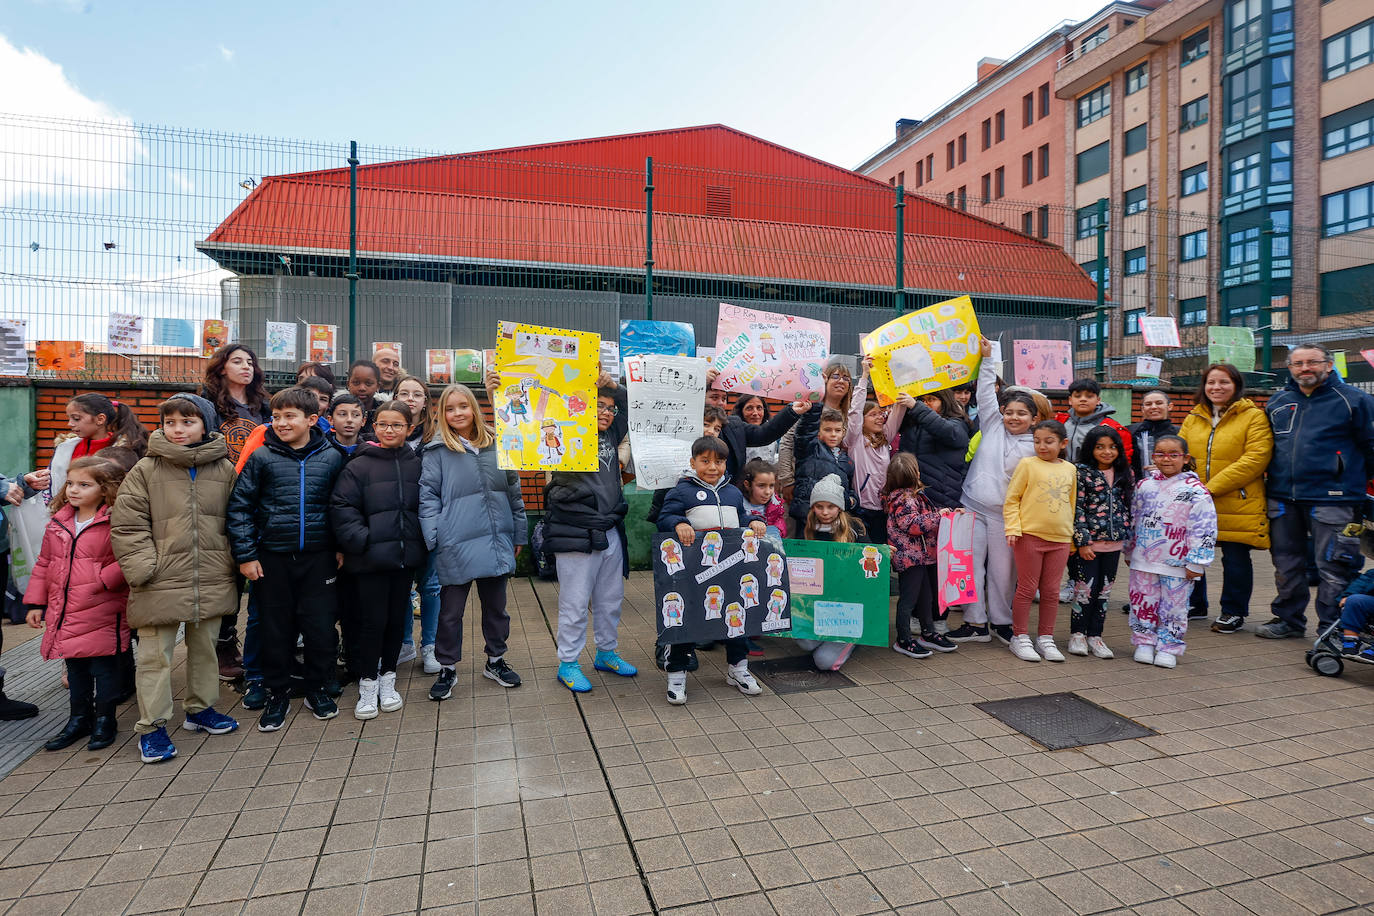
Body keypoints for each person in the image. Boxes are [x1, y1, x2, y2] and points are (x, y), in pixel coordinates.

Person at [112, 394, 240, 764]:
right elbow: (127, 525)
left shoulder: (224, 469)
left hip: (211, 576)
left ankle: (200, 710)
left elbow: (237, 520)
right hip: (158, 580)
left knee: (205, 651)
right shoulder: (146, 470)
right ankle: (152, 727)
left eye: (188, 421)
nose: (178, 429)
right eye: (171, 422)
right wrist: (143, 569)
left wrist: (232, 563)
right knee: (155, 657)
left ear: (206, 425)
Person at [228, 387, 345, 732]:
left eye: (289, 416)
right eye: (276, 416)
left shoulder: (332, 457)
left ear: (312, 420)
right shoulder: (262, 457)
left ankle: (317, 688)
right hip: (272, 559)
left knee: (320, 628)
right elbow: (240, 508)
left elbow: (341, 507)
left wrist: (339, 546)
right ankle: (276, 691)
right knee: (276, 630)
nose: (280, 423)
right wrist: (246, 556)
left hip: (319, 560)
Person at [1260, 344, 1374, 639]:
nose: (1305, 368)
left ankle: (1333, 627)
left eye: (1312, 362)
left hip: (1335, 499)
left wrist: (1355, 482)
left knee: (1335, 566)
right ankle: (1289, 620)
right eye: (1298, 364)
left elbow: (1371, 447)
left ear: (1329, 365)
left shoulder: (1356, 400)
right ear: (1290, 368)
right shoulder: (1278, 402)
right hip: (1283, 498)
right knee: (1285, 564)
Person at [421, 384, 526, 700]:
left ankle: (495, 660)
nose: (457, 414)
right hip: (456, 542)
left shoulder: (498, 444)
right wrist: (435, 535)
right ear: (442, 414)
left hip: (496, 540)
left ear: (474, 409)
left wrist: (519, 532)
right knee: (450, 612)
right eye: (450, 409)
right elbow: (427, 496)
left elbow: (514, 492)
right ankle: (447, 667)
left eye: (462, 406)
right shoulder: (437, 451)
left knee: (497, 608)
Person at [24, 456, 129, 752]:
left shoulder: (115, 520)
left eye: (84, 484)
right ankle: (80, 719)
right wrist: (35, 603)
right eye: (70, 483)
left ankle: (105, 720)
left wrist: (102, 580)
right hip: (66, 610)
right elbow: (45, 563)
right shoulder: (59, 521)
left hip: (102, 608)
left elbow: (130, 556)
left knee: (104, 669)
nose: (73, 490)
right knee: (76, 668)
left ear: (106, 488)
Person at [330, 401, 427, 720]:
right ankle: (367, 683)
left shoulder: (416, 464)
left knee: (395, 623)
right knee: (370, 623)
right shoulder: (359, 464)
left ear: (409, 429)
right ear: (374, 426)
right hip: (370, 561)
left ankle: (389, 679)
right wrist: (365, 541)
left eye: (397, 425)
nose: (389, 430)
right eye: (383, 424)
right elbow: (342, 507)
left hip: (403, 558)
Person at [542, 373, 638, 693]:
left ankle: (606, 652)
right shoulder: (567, 436)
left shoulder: (612, 435)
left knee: (610, 599)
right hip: (575, 530)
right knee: (575, 601)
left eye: (611, 409)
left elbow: (634, 406)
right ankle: (568, 663)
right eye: (599, 406)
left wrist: (610, 386)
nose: (606, 412)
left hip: (609, 528)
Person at [950, 340, 1048, 644]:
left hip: (1007, 517)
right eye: (1009, 412)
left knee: (1003, 574)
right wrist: (988, 359)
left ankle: (1002, 622)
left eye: (1022, 414)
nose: (1014, 418)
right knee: (970, 566)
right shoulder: (992, 424)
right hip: (972, 507)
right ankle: (975, 623)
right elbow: (984, 393)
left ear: (1034, 419)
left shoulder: (1038, 446)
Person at [657, 435, 767, 705]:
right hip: (693, 573)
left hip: (730, 570)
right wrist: (679, 522)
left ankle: (738, 669)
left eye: (718, 461)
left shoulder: (731, 492)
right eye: (705, 461)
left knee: (737, 616)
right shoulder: (682, 490)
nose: (712, 467)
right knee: (687, 619)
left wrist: (752, 522)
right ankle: (677, 675)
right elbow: (664, 517)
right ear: (693, 462)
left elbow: (740, 518)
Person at [1178, 364, 1272, 634]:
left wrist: (1209, 488)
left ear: (1236, 385)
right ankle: (1196, 604)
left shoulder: (1253, 416)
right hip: (1198, 498)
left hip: (1237, 500)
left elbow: (1255, 458)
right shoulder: (1193, 417)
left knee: (1235, 557)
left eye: (1224, 382)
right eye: (1211, 382)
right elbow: (1181, 453)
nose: (1216, 387)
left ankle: (1233, 611)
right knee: (1192, 552)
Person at [203, 343, 270, 679]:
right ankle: (222, 645)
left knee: (247, 568)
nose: (246, 366)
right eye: (237, 361)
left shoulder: (264, 407)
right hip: (218, 495)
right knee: (224, 574)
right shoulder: (208, 405)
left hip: (255, 497)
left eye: (250, 361)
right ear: (221, 367)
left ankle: (242, 643)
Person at [1124, 436, 1217, 667]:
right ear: (1153, 456)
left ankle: (1168, 646)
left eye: (1173, 454)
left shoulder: (1197, 491)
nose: (1167, 459)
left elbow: (1204, 526)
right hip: (1143, 559)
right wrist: (1129, 550)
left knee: (1174, 608)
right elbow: (1134, 518)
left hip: (1178, 563)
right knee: (1142, 603)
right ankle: (1144, 642)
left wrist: (1197, 562)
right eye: (1161, 454)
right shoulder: (1144, 485)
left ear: (1185, 458)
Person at [1004, 420, 1076, 663]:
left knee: (1052, 591)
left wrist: (1071, 537)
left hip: (1061, 539)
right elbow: (1012, 499)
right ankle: (1020, 636)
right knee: (1026, 588)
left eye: (1049, 441)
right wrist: (1013, 527)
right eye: (1037, 441)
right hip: (1030, 537)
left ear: (1063, 443)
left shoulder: (1070, 469)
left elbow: (1071, 503)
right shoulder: (1027, 465)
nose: (1042, 446)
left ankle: (1046, 637)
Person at [1067, 428, 1133, 659]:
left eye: (1112, 447)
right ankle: (1077, 634)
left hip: (1114, 546)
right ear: (1090, 449)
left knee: (1104, 592)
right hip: (1089, 546)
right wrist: (1083, 542)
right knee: (1084, 590)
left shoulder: (1125, 473)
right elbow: (1077, 509)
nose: (1107, 452)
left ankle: (1095, 635)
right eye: (1100, 447)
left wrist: (1128, 543)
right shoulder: (1081, 472)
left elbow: (1128, 507)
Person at [391, 374, 440, 672]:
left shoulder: (436, 437)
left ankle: (431, 645)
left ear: (425, 402)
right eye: (404, 393)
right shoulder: (387, 433)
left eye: (416, 394)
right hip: (397, 523)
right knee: (402, 586)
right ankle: (405, 643)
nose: (410, 398)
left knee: (431, 586)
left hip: (431, 522)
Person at [793, 474, 865, 670]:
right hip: (820, 605)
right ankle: (830, 636)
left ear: (839, 507)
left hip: (847, 607)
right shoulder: (808, 530)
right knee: (804, 641)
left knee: (823, 662)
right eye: (819, 506)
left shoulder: (855, 529)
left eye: (831, 506)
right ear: (813, 507)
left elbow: (870, 561)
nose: (825, 512)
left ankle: (853, 636)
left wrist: (883, 554)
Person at [23, 393, 149, 503]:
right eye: (69, 418)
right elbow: (52, 486)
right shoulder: (64, 448)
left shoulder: (123, 451)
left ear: (100, 419)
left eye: (76, 418)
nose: (70, 424)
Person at [884, 453, 947, 659]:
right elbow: (913, 525)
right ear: (914, 474)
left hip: (920, 556)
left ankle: (928, 632)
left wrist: (943, 513)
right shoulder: (905, 499)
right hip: (910, 558)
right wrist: (939, 516)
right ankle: (903, 639)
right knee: (909, 599)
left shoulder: (912, 497)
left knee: (925, 596)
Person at [847, 356, 912, 545]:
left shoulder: (885, 438)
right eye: (872, 415)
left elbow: (898, 410)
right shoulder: (854, 440)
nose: (879, 418)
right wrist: (865, 375)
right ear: (862, 419)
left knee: (881, 554)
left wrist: (902, 378)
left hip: (883, 509)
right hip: (860, 509)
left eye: (880, 414)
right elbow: (855, 412)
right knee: (863, 554)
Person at [778, 360, 852, 498]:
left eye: (846, 378)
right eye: (835, 376)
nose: (841, 381)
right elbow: (787, 442)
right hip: (801, 485)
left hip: (834, 490)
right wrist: (786, 481)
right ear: (825, 380)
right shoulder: (808, 408)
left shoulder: (850, 416)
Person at [897, 388, 972, 511]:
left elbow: (947, 431)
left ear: (945, 401)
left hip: (942, 498)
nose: (925, 404)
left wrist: (917, 407)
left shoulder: (957, 423)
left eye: (932, 399)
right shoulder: (913, 423)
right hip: (913, 496)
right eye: (922, 400)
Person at [789, 407, 859, 530]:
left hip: (834, 520)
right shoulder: (810, 450)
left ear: (843, 432)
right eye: (827, 430)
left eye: (837, 430)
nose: (833, 434)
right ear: (818, 432)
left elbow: (848, 489)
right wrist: (814, 405)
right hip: (807, 516)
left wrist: (852, 500)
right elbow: (805, 432)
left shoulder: (847, 460)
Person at [1055, 378, 1133, 468]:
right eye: (1078, 396)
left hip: (1096, 478)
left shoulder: (1112, 427)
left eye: (1089, 396)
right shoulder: (1060, 422)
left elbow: (1123, 460)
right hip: (1061, 476)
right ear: (1070, 400)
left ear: (1098, 400)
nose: (1083, 399)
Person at [1125, 390, 1177, 480]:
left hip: (1172, 485)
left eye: (1159, 403)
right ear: (1142, 409)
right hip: (1135, 487)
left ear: (1169, 406)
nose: (1153, 407)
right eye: (1148, 404)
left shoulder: (1180, 433)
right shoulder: (1130, 432)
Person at [740, 458, 786, 540]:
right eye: (761, 486)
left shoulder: (775, 507)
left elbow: (780, 525)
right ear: (747, 484)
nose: (767, 492)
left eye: (771, 486)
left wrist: (777, 531)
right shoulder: (739, 506)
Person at [325, 393, 367, 459]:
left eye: (356, 415)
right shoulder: (321, 449)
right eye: (342, 414)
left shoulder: (368, 451)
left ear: (363, 421)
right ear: (331, 420)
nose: (349, 420)